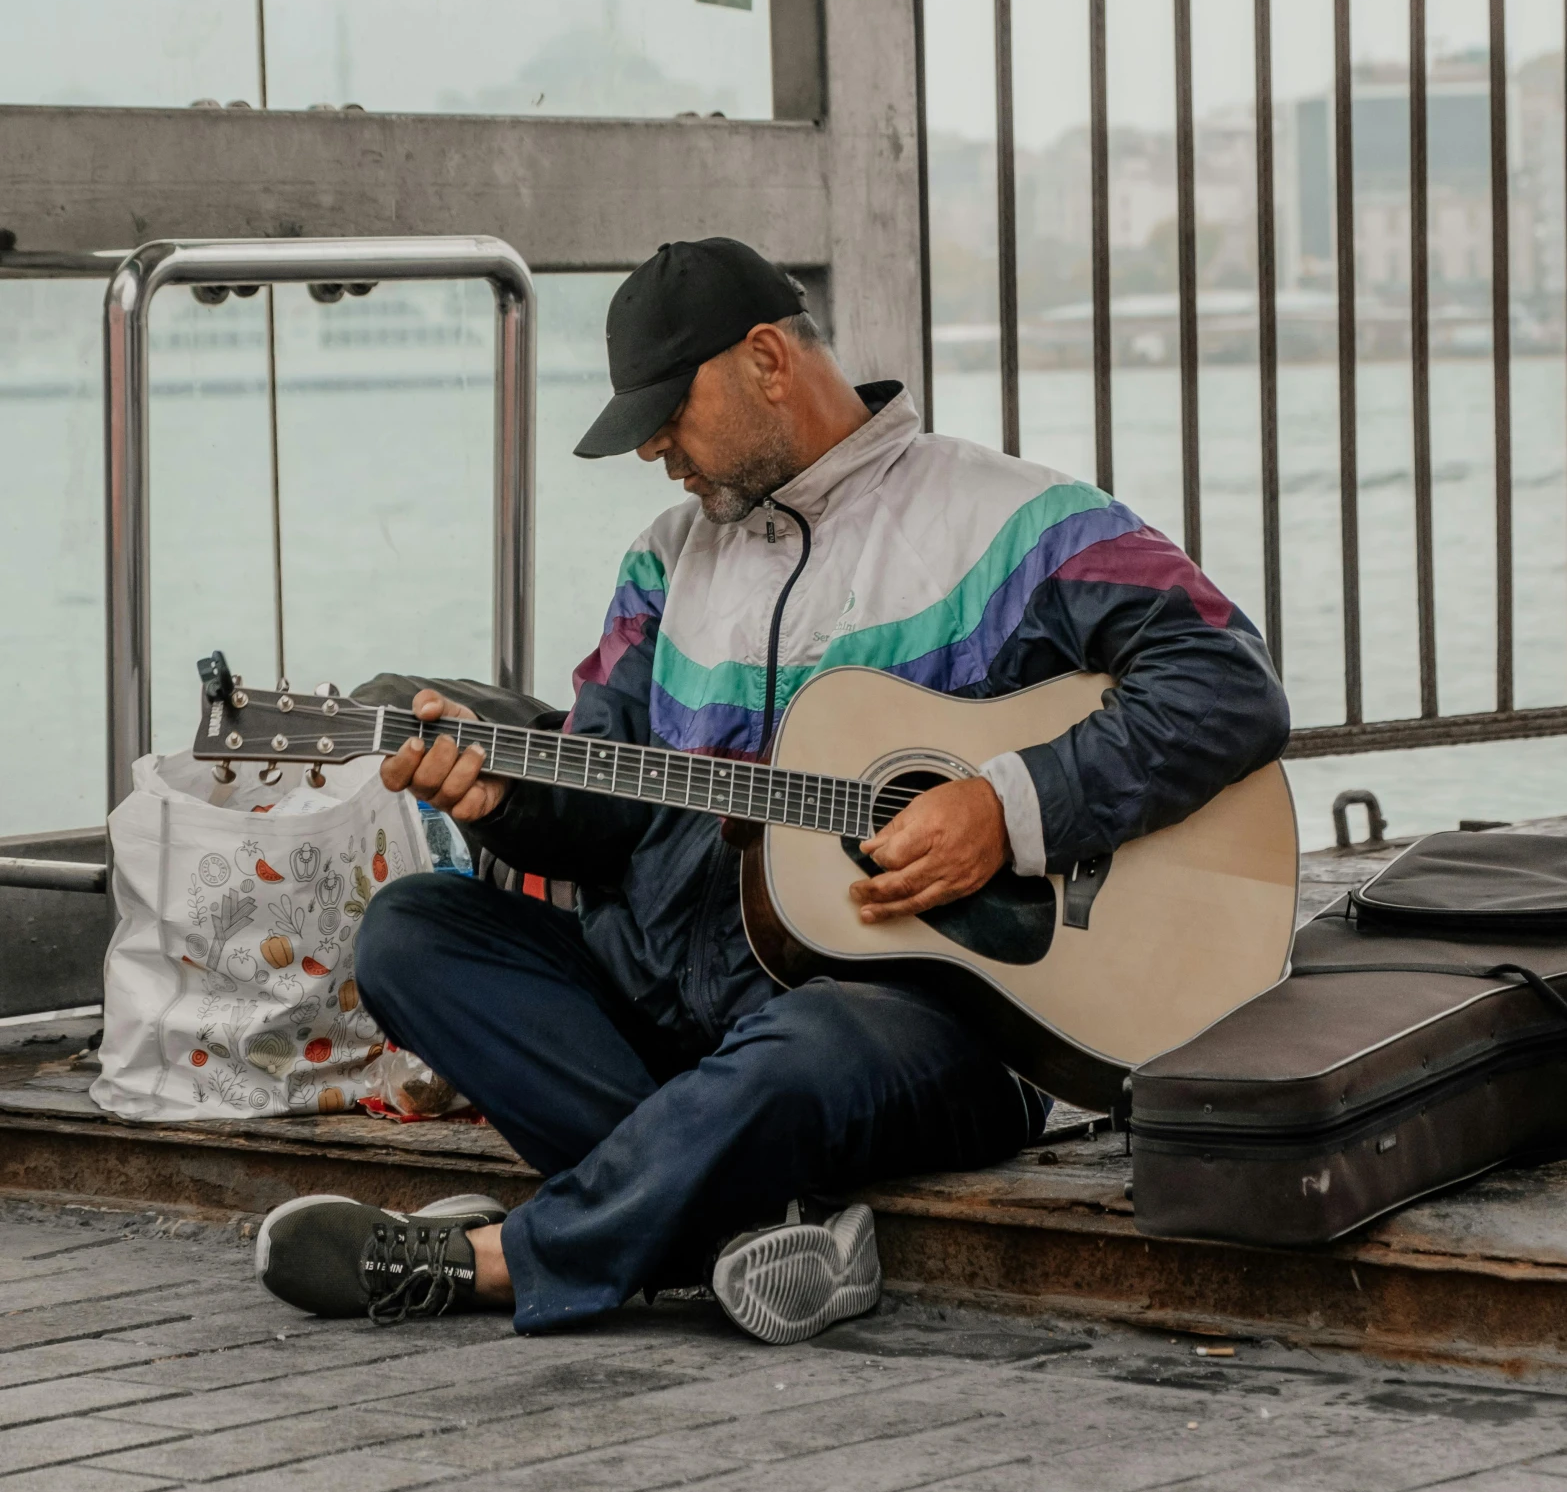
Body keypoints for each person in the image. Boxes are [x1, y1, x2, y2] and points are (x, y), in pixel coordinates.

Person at [255, 237, 1289, 1341]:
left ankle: (502, 1257)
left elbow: (1229, 682)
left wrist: (1005, 804)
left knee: (801, 1054)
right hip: (666, 1001)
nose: (654, 447)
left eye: (667, 412)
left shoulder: (1015, 522)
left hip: (915, 1025)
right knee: (414, 930)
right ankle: (729, 1227)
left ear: (764, 360)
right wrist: (499, 795)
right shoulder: (662, 561)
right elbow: (605, 821)